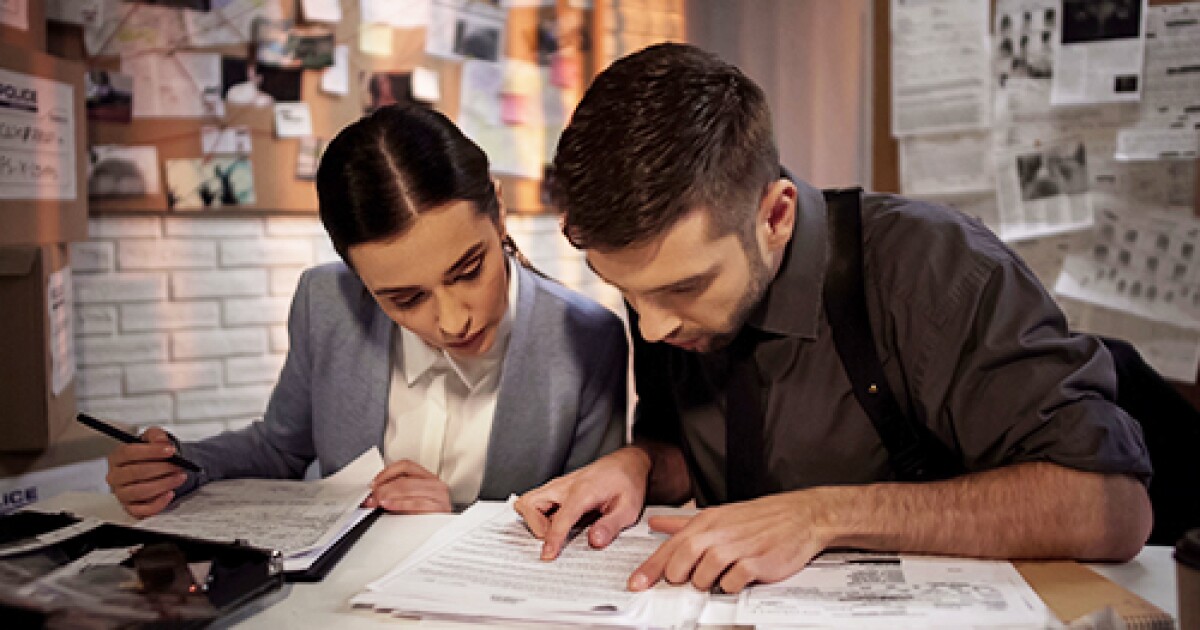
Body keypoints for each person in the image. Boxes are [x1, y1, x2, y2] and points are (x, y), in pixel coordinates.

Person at [515, 44, 1152, 594]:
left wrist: (821, 516)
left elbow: (1111, 507)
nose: (653, 328)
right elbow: (690, 444)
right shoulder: (663, 300)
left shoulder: (933, 269)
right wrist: (641, 465)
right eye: (625, 291)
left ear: (776, 216)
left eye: (686, 286)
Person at [105, 104, 628, 517]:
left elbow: (585, 520)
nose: (452, 321)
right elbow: (281, 449)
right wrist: (179, 464)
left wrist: (457, 517)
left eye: (468, 270)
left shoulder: (586, 338)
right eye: (405, 299)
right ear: (359, 278)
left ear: (498, 213)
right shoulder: (326, 303)